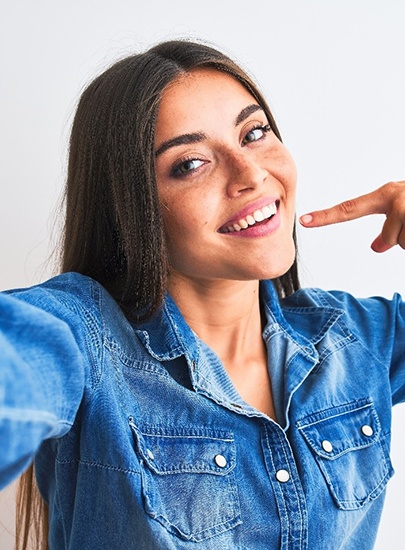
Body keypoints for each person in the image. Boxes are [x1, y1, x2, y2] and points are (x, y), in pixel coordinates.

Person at [0, 39, 404, 550]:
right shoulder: (83, 337)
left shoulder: (351, 338)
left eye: (254, 133)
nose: (252, 174)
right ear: (132, 205)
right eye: (191, 163)